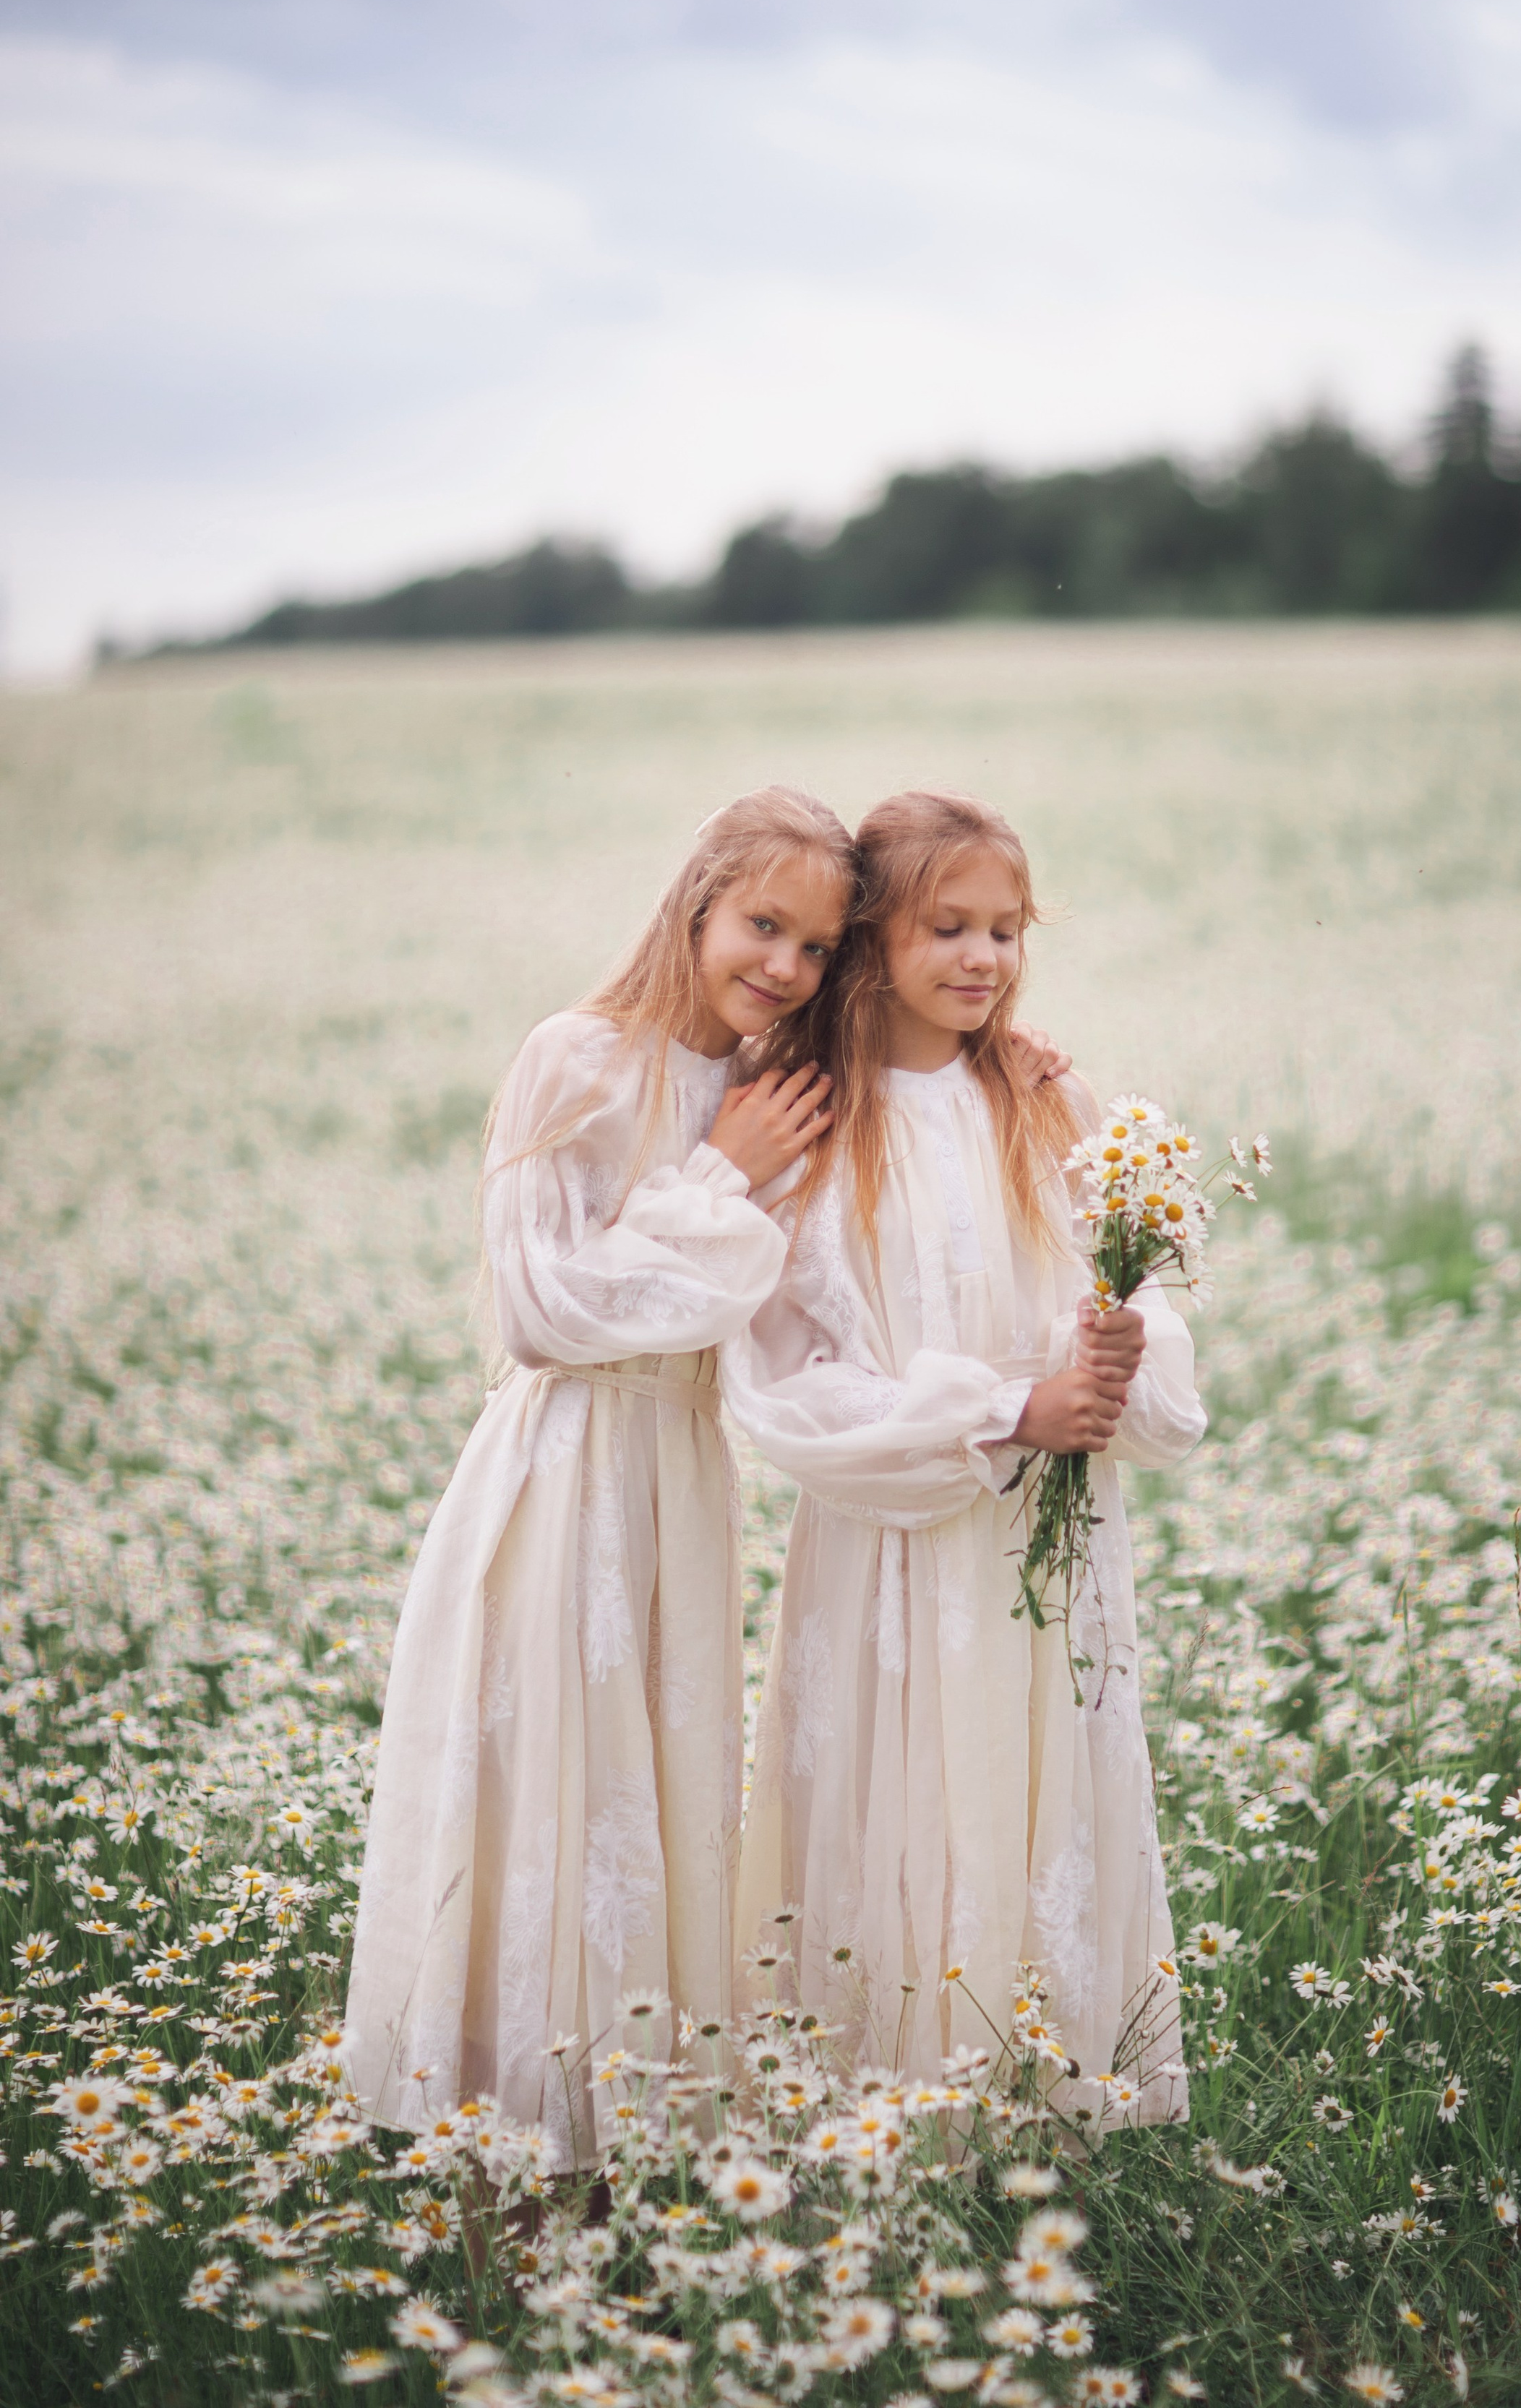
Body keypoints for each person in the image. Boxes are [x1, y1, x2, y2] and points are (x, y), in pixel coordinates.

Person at [344, 787, 849, 2164]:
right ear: (697, 901)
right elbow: (541, 1310)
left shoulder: (778, 1090)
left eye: (815, 948)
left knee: (652, 1816)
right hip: (563, 1472)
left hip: (682, 1482)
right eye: (763, 925)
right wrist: (715, 1179)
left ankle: (624, 2189)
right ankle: (500, 2199)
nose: (785, 969)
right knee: (544, 1812)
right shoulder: (575, 1056)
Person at [724, 789, 1204, 2122]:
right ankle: (897, 2109)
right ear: (872, 936)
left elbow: (1141, 1303)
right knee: (908, 1808)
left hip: (1053, 1543)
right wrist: (1005, 1418)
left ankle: (1045, 2099)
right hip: (902, 1549)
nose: (984, 958)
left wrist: (1120, 1359)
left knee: (1042, 1790)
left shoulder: (1052, 1102)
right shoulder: (812, 1122)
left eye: (1006, 930)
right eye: (948, 926)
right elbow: (795, 1388)